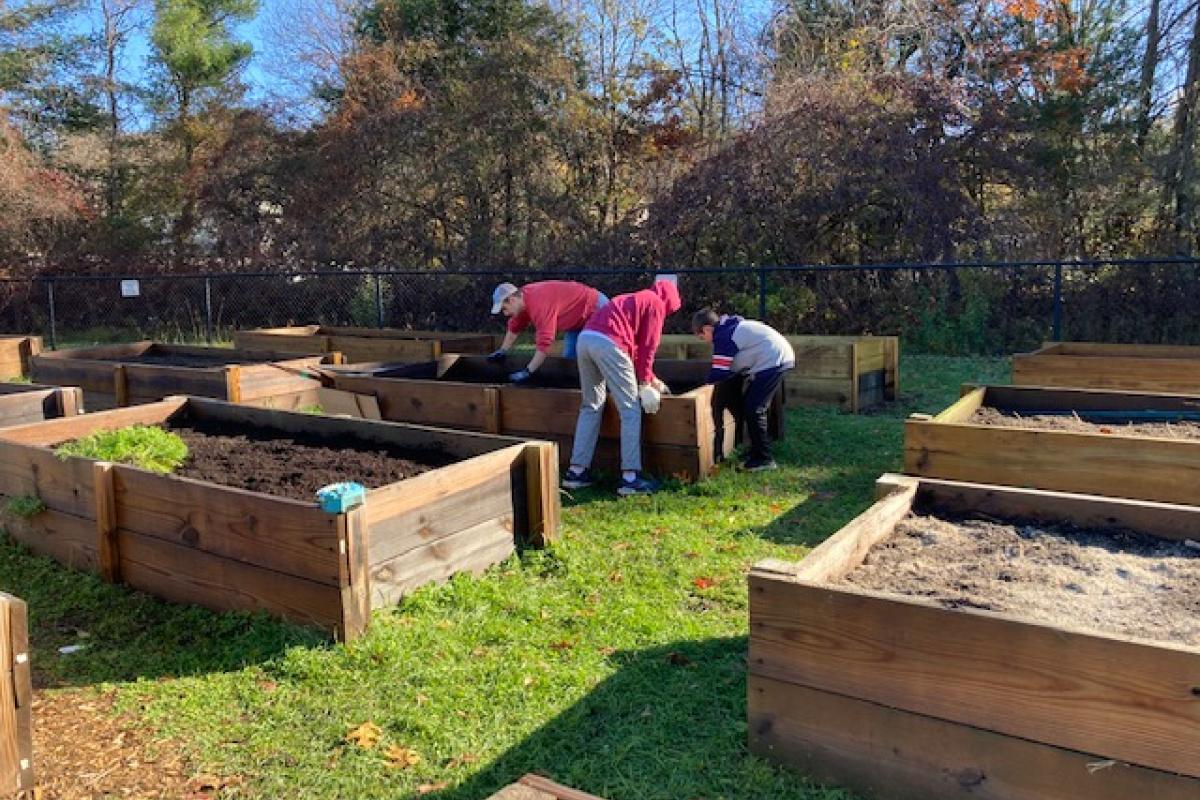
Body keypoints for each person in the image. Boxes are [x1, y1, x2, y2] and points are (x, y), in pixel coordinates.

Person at [562, 276, 680, 496]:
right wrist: (644, 384)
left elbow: (632, 352)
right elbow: (648, 347)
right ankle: (630, 478)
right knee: (630, 409)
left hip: (586, 340)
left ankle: (576, 472)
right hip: (609, 343)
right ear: (670, 302)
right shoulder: (655, 304)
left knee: (591, 405)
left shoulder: (634, 299)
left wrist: (650, 377)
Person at [692, 309, 793, 471]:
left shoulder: (723, 336)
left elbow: (719, 372)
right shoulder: (728, 328)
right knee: (751, 406)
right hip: (773, 358)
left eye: (702, 337)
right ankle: (756, 450)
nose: (705, 341)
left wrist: (702, 388)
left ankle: (764, 459)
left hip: (773, 361)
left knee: (754, 409)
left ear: (706, 329)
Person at [487, 280, 608, 382]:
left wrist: (528, 371)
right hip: (577, 321)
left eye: (504, 309)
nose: (505, 313)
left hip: (596, 308)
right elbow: (515, 326)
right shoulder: (522, 300)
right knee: (570, 362)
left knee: (601, 358)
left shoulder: (539, 304)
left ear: (512, 300)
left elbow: (545, 342)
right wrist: (502, 350)